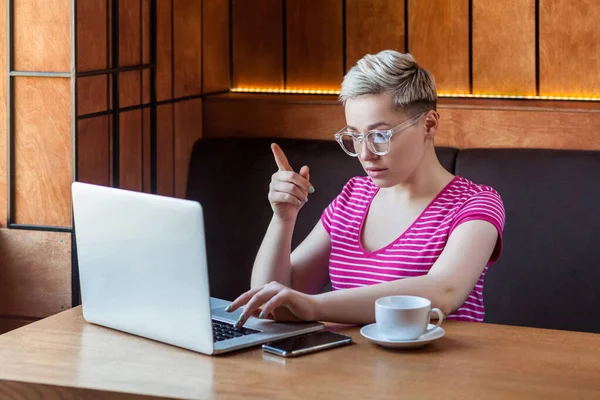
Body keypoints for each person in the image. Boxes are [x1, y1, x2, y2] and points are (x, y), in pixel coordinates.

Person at [226, 50, 505, 329]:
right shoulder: (353, 198)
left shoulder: (475, 204)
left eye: (379, 136)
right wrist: (283, 218)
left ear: (429, 124)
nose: (365, 154)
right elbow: (268, 302)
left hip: (435, 370)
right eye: (355, 136)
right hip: (344, 367)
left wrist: (314, 306)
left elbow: (443, 291)